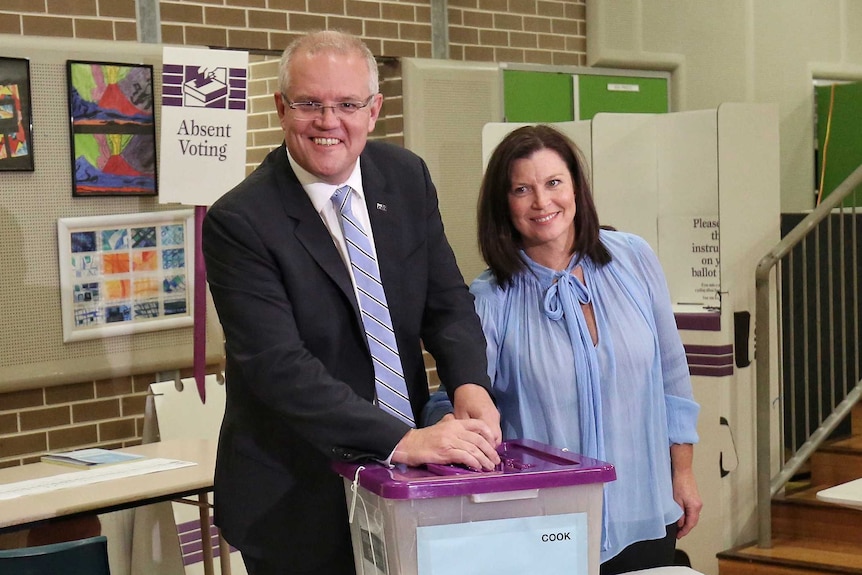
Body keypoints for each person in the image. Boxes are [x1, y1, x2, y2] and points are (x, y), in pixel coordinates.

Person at [202, 30, 501, 575]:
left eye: (346, 104)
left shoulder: (406, 178)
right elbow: (278, 368)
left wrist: (469, 383)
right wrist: (404, 440)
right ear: (280, 108)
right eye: (309, 104)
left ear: (374, 109)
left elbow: (447, 302)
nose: (327, 121)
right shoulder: (240, 222)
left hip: (406, 487)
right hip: (296, 497)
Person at [424, 124, 702, 574]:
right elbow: (459, 396)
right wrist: (447, 426)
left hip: (645, 510)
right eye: (522, 189)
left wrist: (683, 474)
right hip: (544, 528)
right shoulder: (491, 299)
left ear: (576, 187)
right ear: (504, 204)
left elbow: (672, 376)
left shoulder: (634, 258)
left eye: (554, 183)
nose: (542, 202)